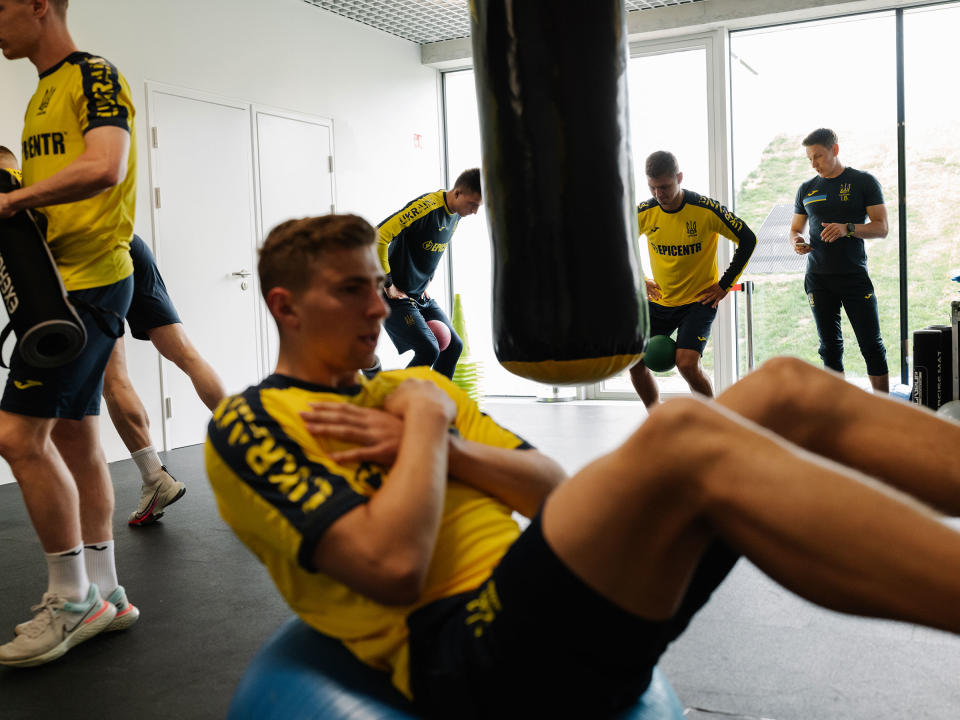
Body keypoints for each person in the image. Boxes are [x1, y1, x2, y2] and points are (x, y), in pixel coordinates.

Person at [206, 213, 960, 719]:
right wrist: (430, 431)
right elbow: (393, 564)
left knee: (783, 388)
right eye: (350, 290)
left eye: (377, 286)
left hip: (548, 594)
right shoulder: (253, 421)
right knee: (685, 435)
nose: (378, 308)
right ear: (286, 306)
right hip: (469, 652)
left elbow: (549, 493)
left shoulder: (417, 390)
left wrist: (442, 439)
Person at [0, 0, 140, 666]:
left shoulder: (93, 75)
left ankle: (71, 598)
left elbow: (104, 166)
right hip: (61, 282)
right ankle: (106, 591)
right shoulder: (39, 93)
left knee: (16, 435)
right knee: (79, 432)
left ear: (38, 6)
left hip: (90, 283)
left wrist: (14, 200)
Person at [103, 234, 227, 526]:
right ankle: (255, 446)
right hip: (128, 242)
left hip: (89, 257)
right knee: (187, 355)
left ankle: (155, 478)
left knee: (114, 380)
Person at [630, 151, 756, 407]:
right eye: (652, 187)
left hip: (698, 302)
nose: (659, 194)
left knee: (686, 364)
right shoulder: (645, 211)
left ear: (679, 177)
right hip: (661, 301)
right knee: (634, 360)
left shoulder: (705, 209)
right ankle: (656, 416)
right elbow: (620, 241)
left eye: (664, 187)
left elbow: (748, 238)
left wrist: (724, 284)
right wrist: (639, 278)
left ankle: (712, 419)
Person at [789, 128, 890, 393]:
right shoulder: (806, 189)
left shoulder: (863, 182)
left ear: (835, 150)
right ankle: (838, 411)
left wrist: (849, 228)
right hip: (818, 279)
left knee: (871, 344)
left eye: (819, 156)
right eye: (810, 158)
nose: (814, 164)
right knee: (829, 348)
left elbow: (881, 228)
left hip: (853, 277)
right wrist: (797, 242)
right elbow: (795, 229)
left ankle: (883, 408)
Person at [376, 168, 482, 379]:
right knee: (428, 349)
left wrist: (426, 280)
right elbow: (378, 236)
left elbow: (429, 248)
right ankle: (395, 402)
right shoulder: (426, 208)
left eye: (479, 206)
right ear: (458, 193)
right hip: (391, 294)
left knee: (454, 346)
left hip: (419, 294)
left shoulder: (456, 215)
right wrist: (388, 283)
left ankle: (439, 404)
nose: (475, 211)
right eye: (472, 204)